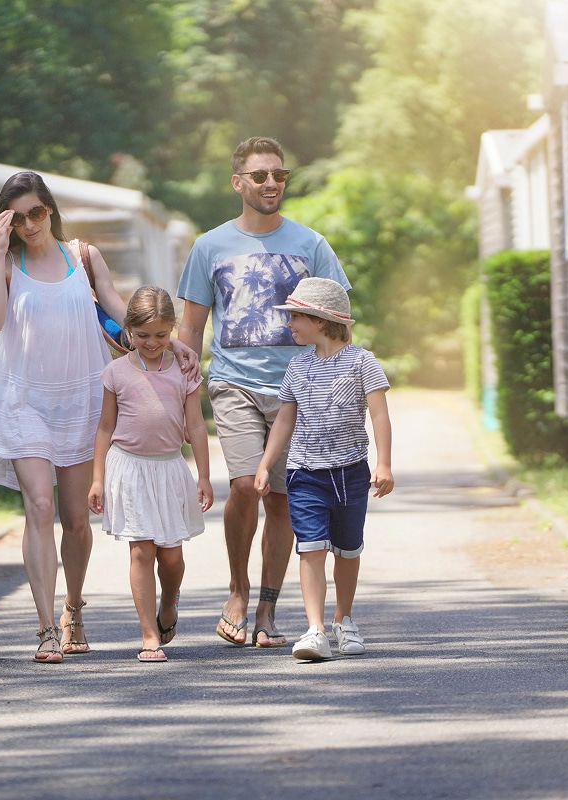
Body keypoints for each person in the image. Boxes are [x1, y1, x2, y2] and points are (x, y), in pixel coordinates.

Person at [0, 171, 197, 663]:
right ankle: (47, 627)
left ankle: (73, 606)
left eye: (37, 212)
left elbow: (122, 315)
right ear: (6, 221)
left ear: (49, 209)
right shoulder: (6, 264)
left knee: (76, 519)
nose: (31, 224)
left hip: (79, 399)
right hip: (23, 399)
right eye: (18, 217)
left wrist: (173, 343)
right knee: (40, 507)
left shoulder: (84, 257)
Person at [177, 136, 351, 648]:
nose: (271, 183)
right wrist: (181, 390)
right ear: (238, 183)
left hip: (296, 389)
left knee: (281, 500)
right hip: (234, 382)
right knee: (245, 486)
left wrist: (341, 383)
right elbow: (190, 328)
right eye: (260, 176)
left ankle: (268, 607)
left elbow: (338, 321)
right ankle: (236, 589)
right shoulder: (210, 246)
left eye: (279, 175)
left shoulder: (311, 244)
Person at [254, 277, 394, 661]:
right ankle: (315, 629)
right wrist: (266, 464)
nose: (290, 324)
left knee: (347, 550)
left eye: (296, 317)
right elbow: (284, 420)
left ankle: (343, 619)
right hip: (306, 473)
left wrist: (383, 463)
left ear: (321, 319)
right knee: (311, 548)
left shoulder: (362, 362)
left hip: (350, 471)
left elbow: (379, 414)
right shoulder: (298, 367)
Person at [88, 286, 213, 662]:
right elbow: (105, 429)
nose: (152, 343)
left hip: (170, 468)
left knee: (170, 557)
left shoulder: (184, 370)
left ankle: (169, 602)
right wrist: (97, 479)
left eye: (161, 335)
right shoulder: (115, 373)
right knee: (141, 551)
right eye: (142, 336)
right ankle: (148, 635)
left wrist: (204, 476)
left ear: (172, 329)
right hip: (129, 468)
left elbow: (197, 425)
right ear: (128, 329)